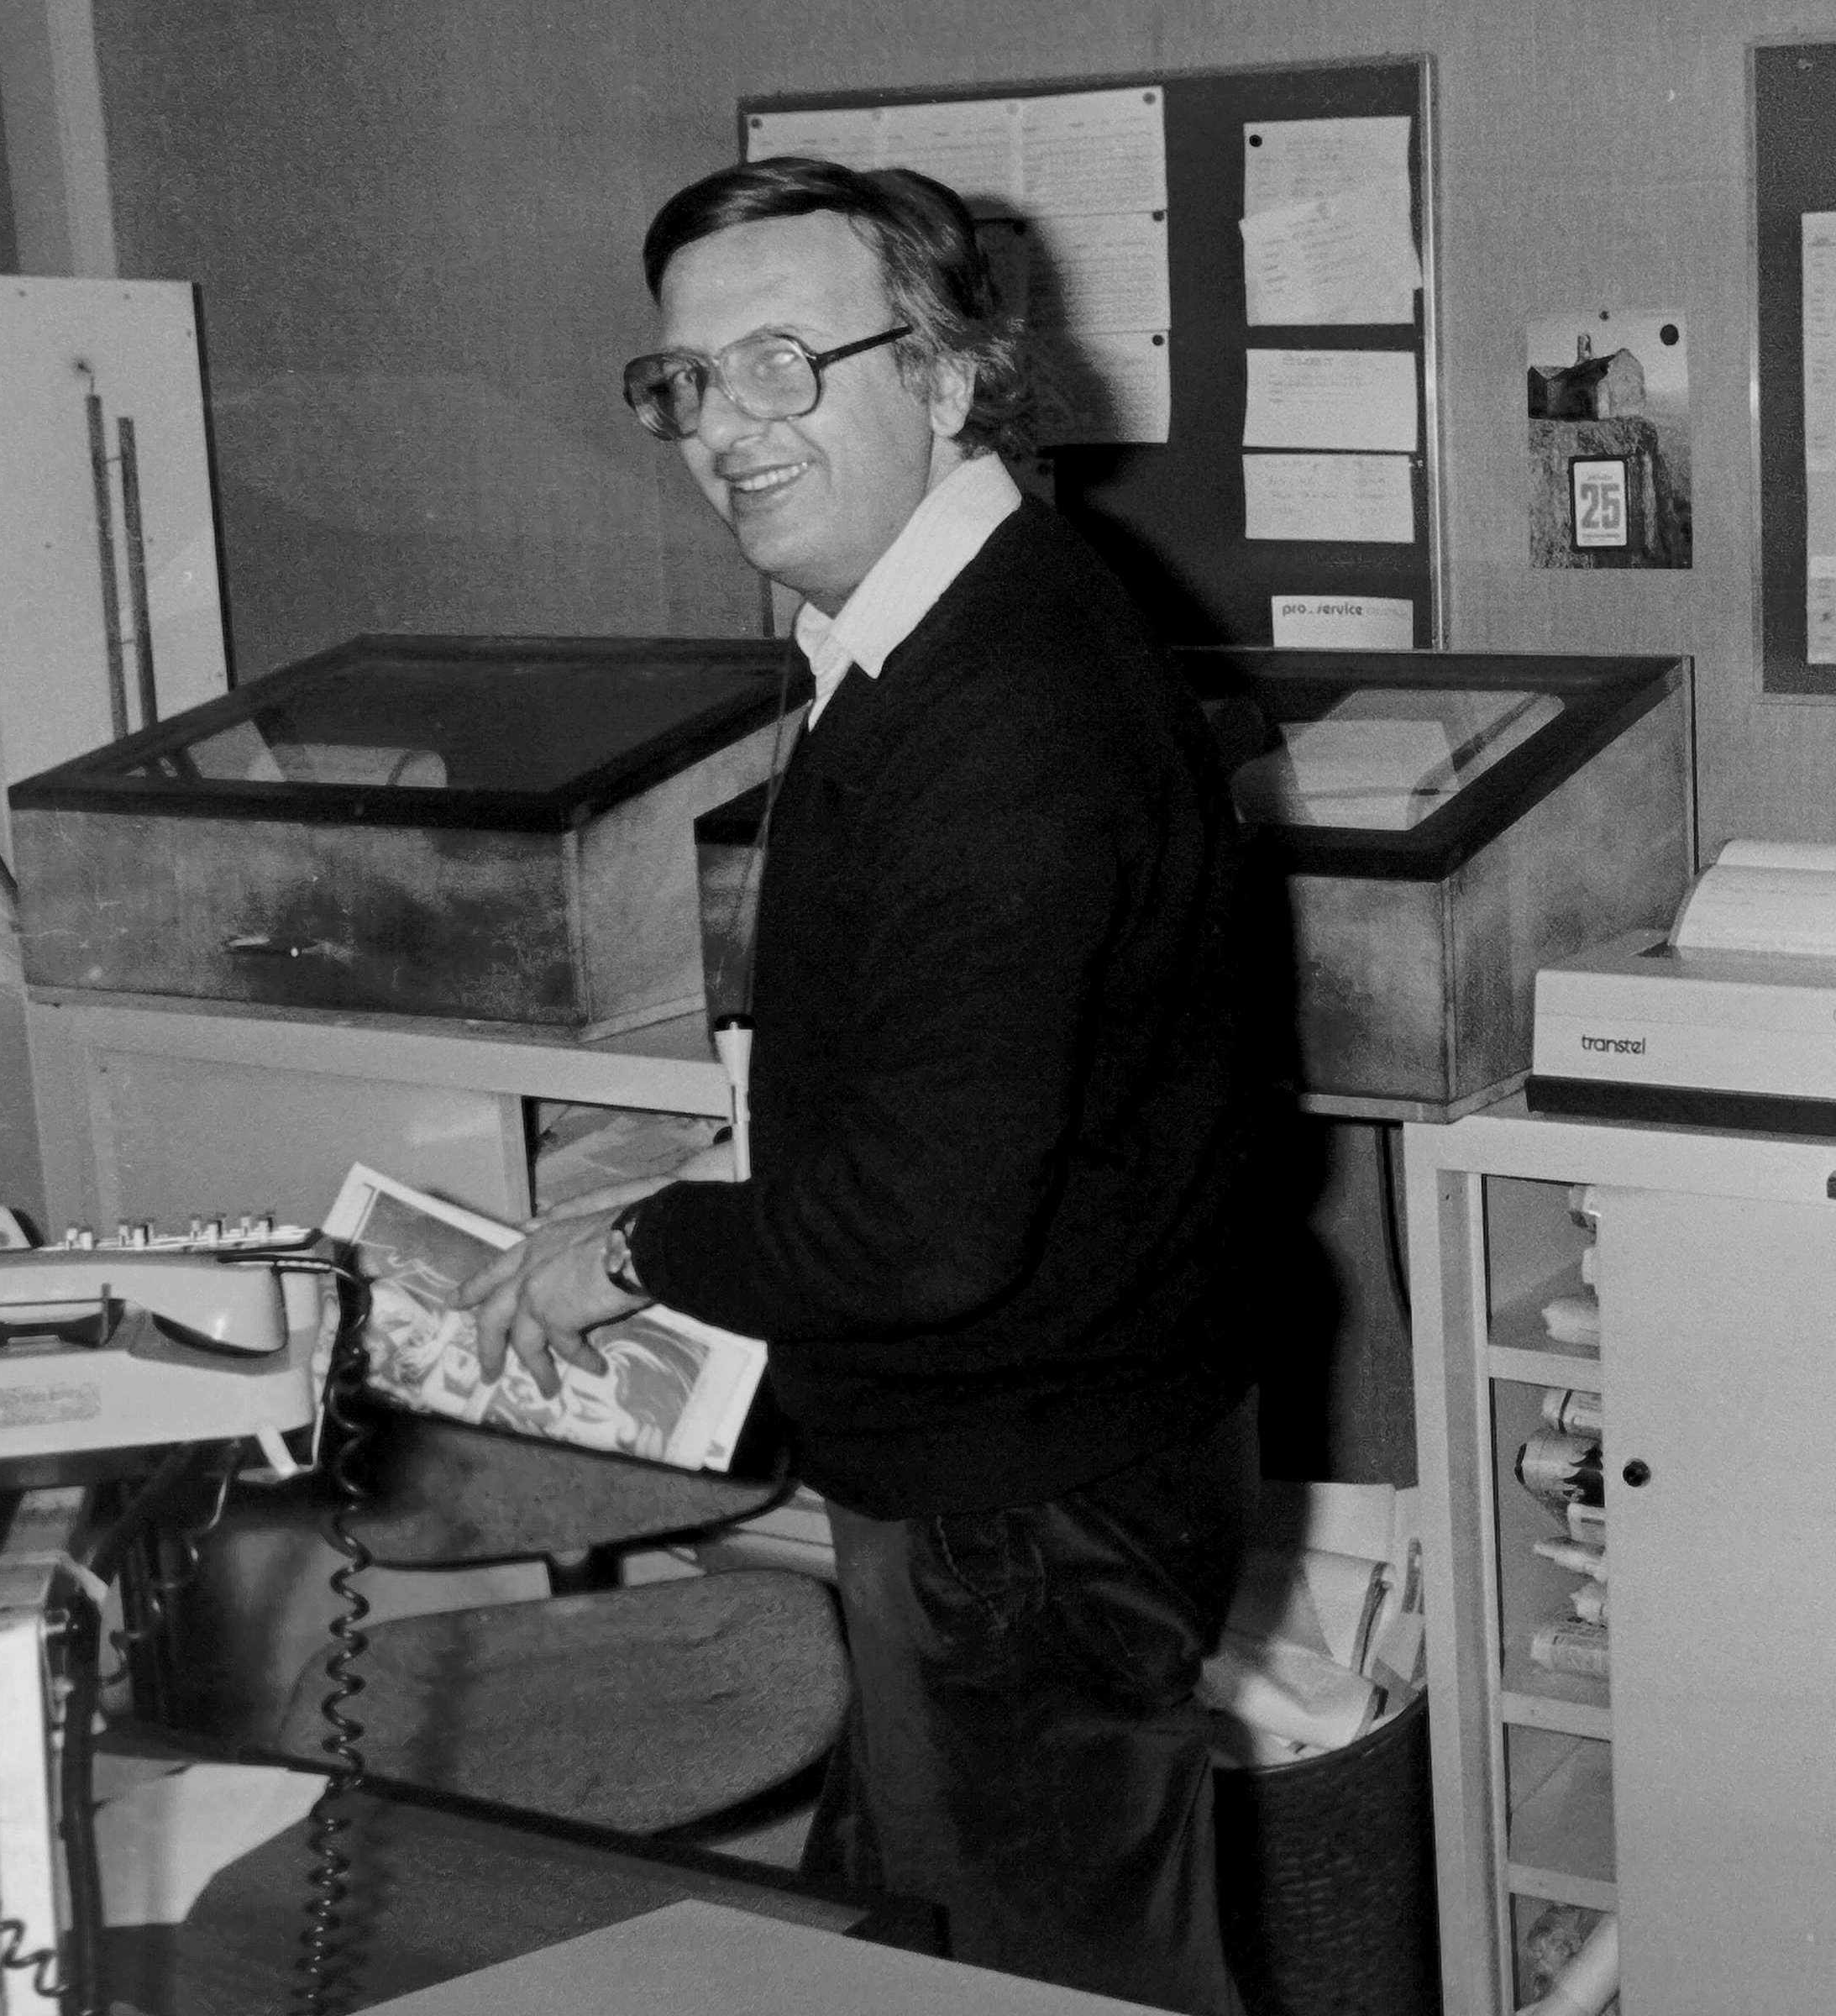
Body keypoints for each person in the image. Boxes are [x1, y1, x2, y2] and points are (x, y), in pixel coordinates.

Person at [455, 156, 1262, 2016]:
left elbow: (918, 1230)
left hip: (1026, 1497)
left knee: (1065, 1984)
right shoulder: (938, 631)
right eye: (682, 382)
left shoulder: (1001, 711)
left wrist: (638, 1247)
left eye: (779, 367)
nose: (722, 433)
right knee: (955, 1948)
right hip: (1054, 1452)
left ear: (953, 375)